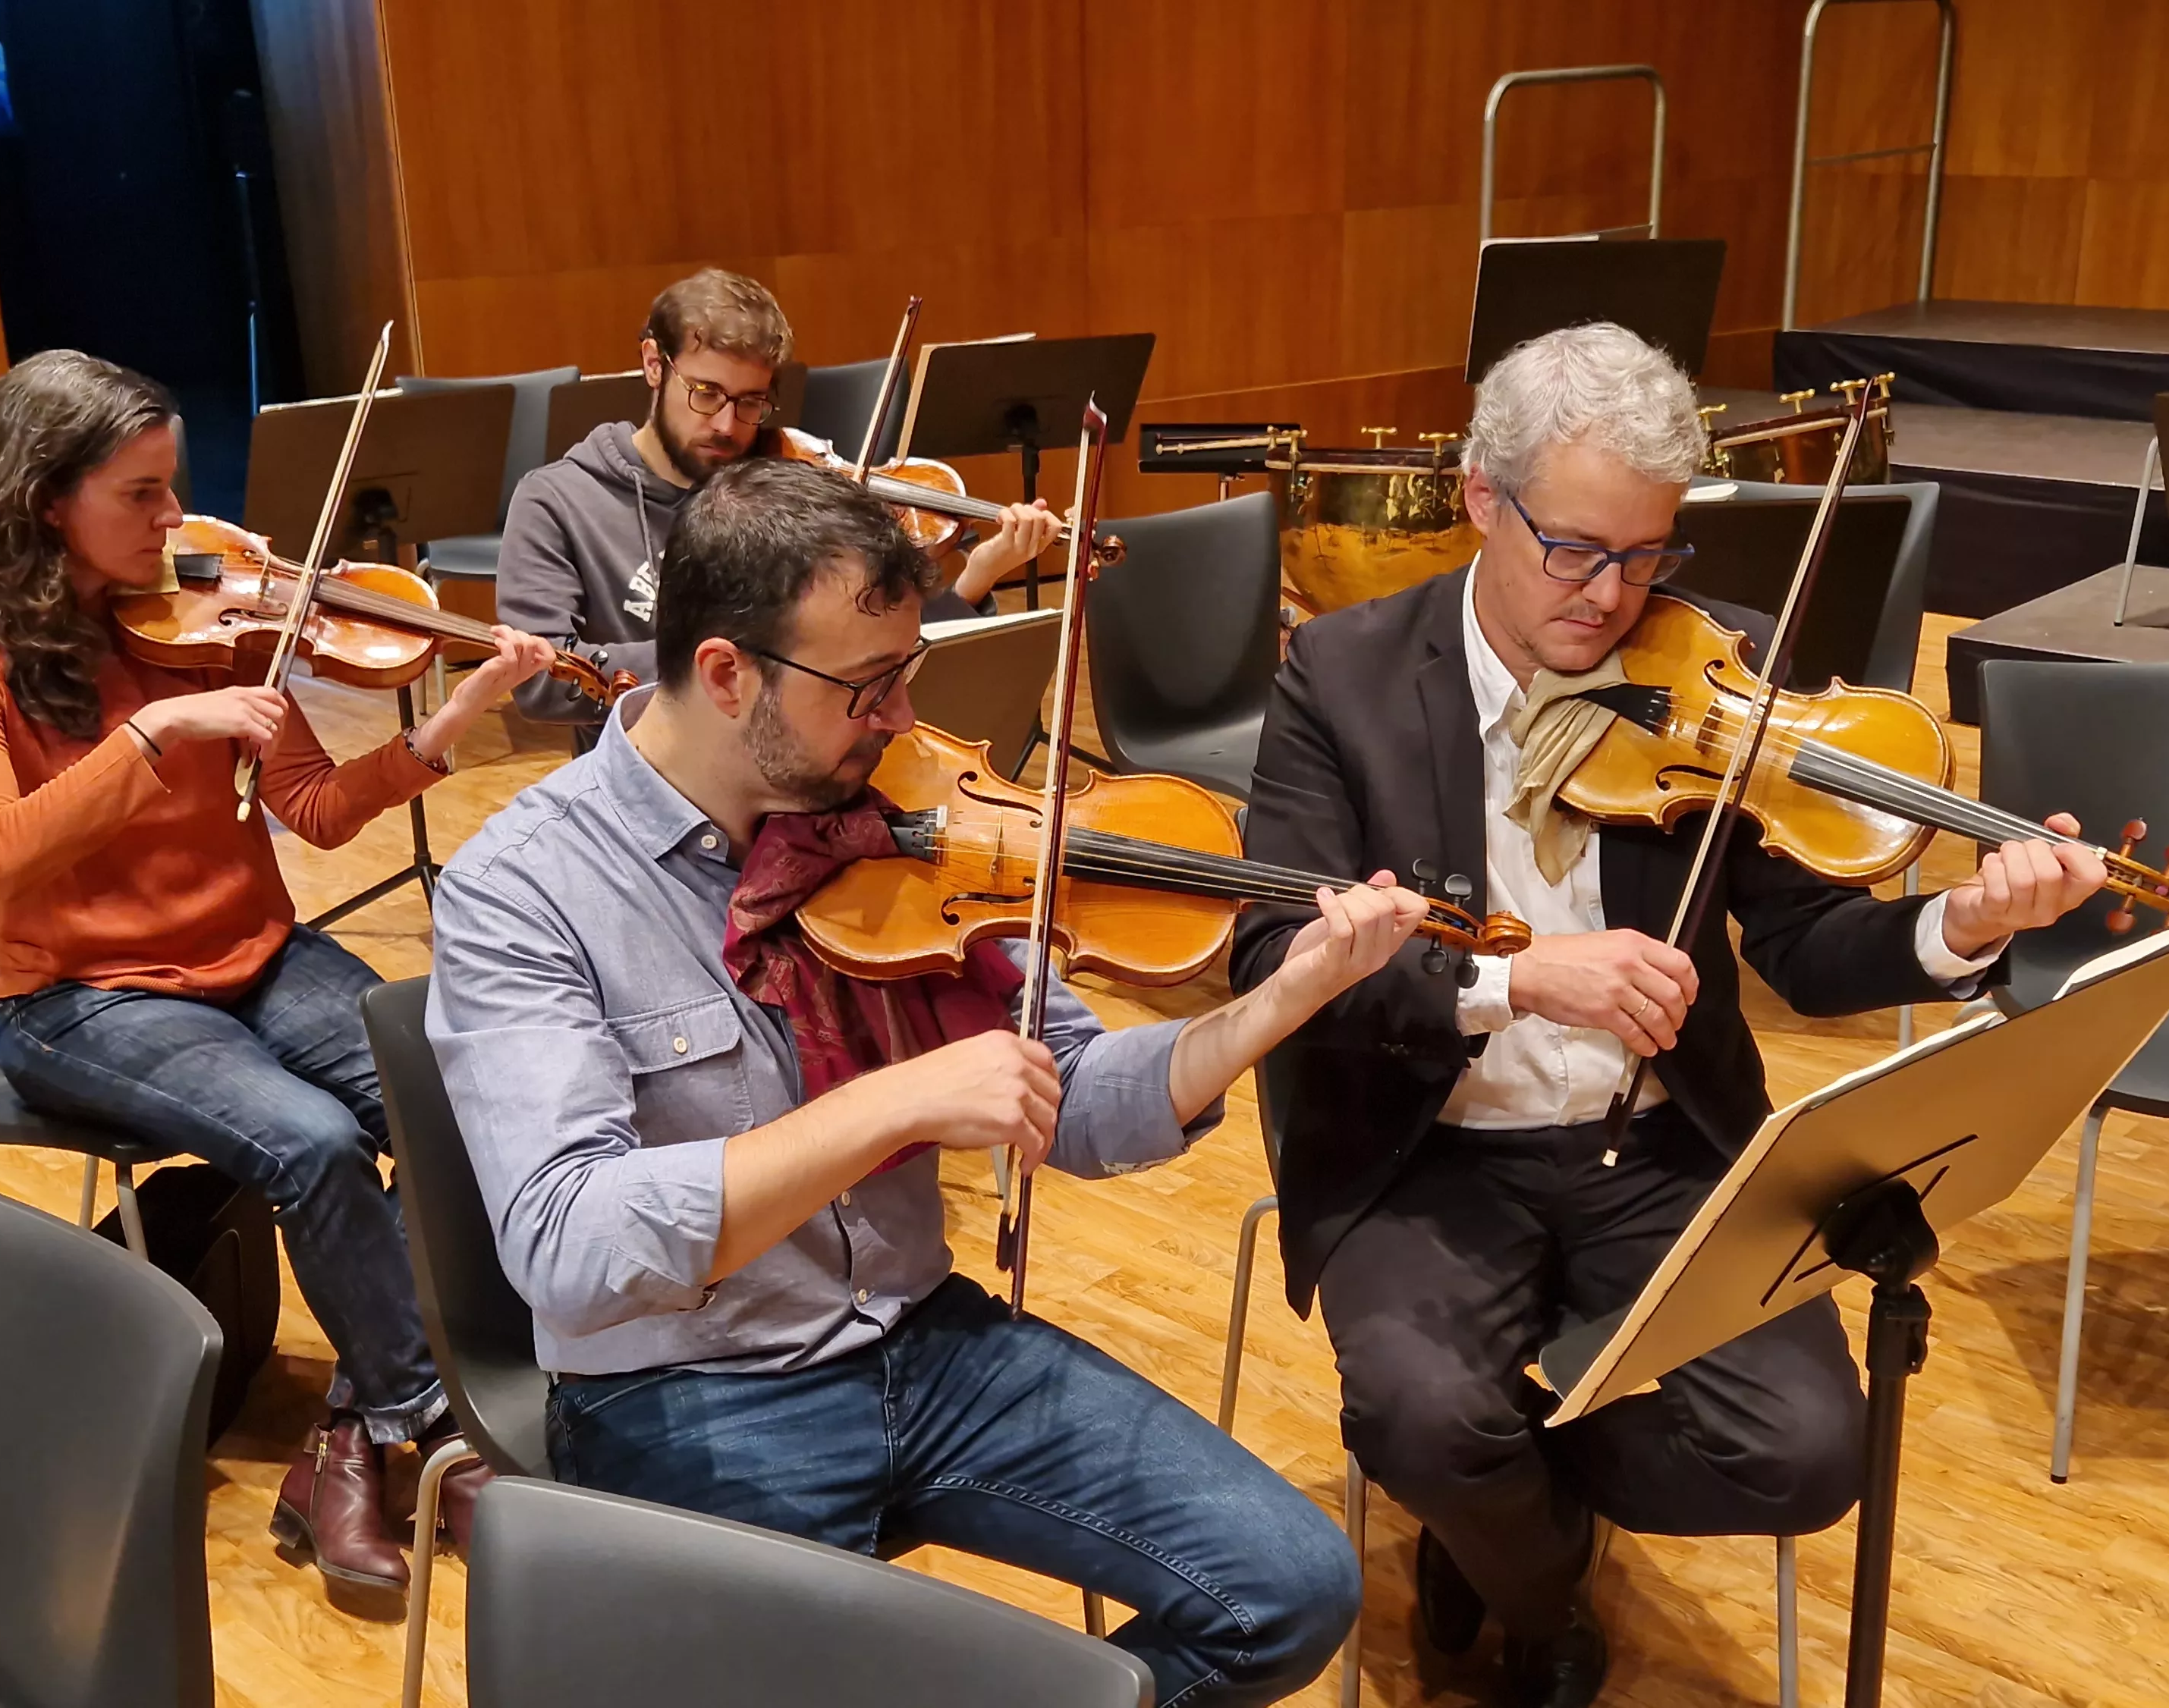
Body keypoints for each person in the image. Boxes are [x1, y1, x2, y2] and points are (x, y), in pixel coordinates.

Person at [429, 457, 1429, 1706]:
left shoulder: (891, 820)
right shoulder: (522, 892)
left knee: (1290, 1583)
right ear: (730, 674)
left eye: (909, 674)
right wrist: (891, 1102)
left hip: (926, 1339)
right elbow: (567, 1242)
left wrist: (1281, 1000)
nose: (903, 719)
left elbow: (1081, 1099)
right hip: (690, 1386)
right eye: (866, 686)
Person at [1226, 324, 2108, 1708]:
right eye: (1574, 549)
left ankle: (1499, 1525)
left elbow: (1810, 950)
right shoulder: (1339, 677)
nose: (1609, 598)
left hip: (1660, 1146)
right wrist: (1516, 979)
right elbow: (1277, 954)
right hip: (1428, 1152)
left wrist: (1968, 925)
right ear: (1477, 497)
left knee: (1813, 1453)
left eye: (1648, 554)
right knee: (1418, 1411)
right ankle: (1545, 1593)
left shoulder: (1716, 670)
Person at [0, 349, 558, 1615]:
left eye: (171, 486)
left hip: (255, 954)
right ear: (45, 501)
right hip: (85, 995)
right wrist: (153, 735)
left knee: (455, 1086)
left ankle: (349, 1434)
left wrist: (442, 729)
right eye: (139, 494)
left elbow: (309, 805)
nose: (173, 518)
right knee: (311, 1143)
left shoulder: (210, 616)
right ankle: (428, 1430)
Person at [494, 267, 1060, 749]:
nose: (726, 425)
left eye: (750, 403)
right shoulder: (557, 500)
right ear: (653, 364)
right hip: (648, 788)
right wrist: (743, 658)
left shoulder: (782, 483)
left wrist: (976, 580)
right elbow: (541, 680)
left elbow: (876, 653)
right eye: (706, 393)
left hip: (798, 773)